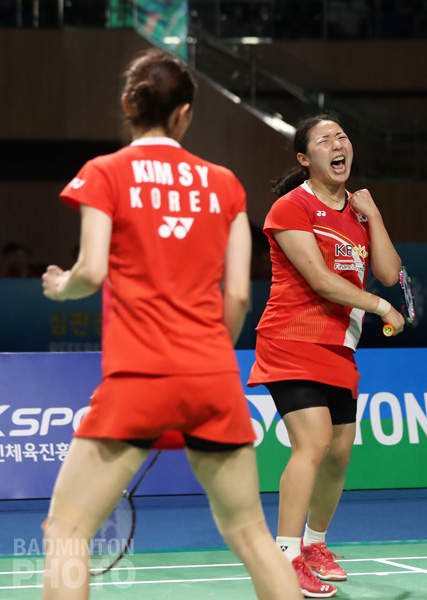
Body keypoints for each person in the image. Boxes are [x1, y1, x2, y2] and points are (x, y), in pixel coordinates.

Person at [41, 48, 303, 600]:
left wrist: (61, 286)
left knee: (67, 531)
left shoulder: (104, 173)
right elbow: (238, 295)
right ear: (184, 113)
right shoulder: (225, 184)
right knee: (253, 535)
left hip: (139, 377)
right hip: (212, 376)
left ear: (127, 105)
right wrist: (203, 360)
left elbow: (90, 272)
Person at [248, 113, 404, 598]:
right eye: (324, 139)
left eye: (342, 136)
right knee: (312, 444)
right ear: (304, 157)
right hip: (291, 339)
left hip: (340, 345)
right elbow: (319, 279)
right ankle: (286, 557)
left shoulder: (358, 213)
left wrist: (374, 215)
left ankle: (316, 544)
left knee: (338, 452)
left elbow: (388, 272)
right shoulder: (290, 207)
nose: (337, 144)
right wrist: (381, 307)